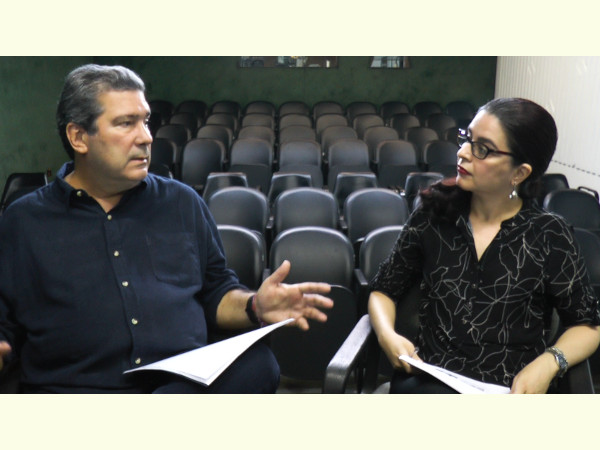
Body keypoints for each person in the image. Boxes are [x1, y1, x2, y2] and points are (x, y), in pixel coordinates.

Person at [0, 64, 333, 393]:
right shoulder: (24, 221)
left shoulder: (182, 202)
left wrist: (255, 305)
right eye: (125, 123)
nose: (146, 137)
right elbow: (6, 323)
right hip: (76, 391)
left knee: (259, 364)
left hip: (178, 385)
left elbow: (216, 292)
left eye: (145, 121)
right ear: (78, 137)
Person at [368, 97, 600, 394]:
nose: (463, 152)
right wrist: (387, 334)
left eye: (482, 149)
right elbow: (384, 289)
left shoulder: (549, 235)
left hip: (510, 392)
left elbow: (587, 325)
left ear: (519, 173)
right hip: (431, 381)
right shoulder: (434, 214)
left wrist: (549, 362)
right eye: (467, 138)